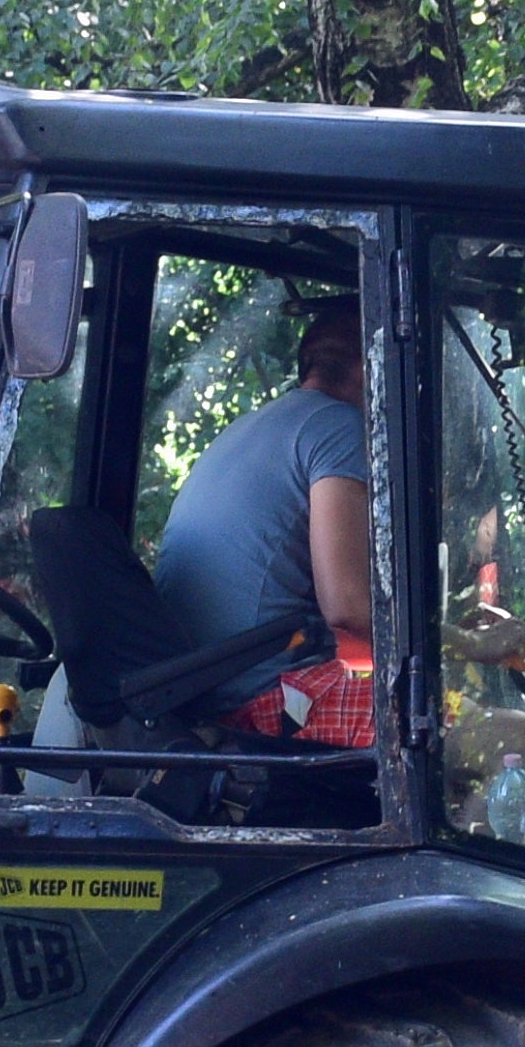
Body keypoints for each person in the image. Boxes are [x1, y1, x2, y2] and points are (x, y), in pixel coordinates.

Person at [148, 297, 378, 740]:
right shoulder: (341, 428)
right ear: (374, 369)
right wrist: (464, 646)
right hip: (266, 705)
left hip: (197, 701)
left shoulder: (246, 429)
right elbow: (349, 610)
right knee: (515, 738)